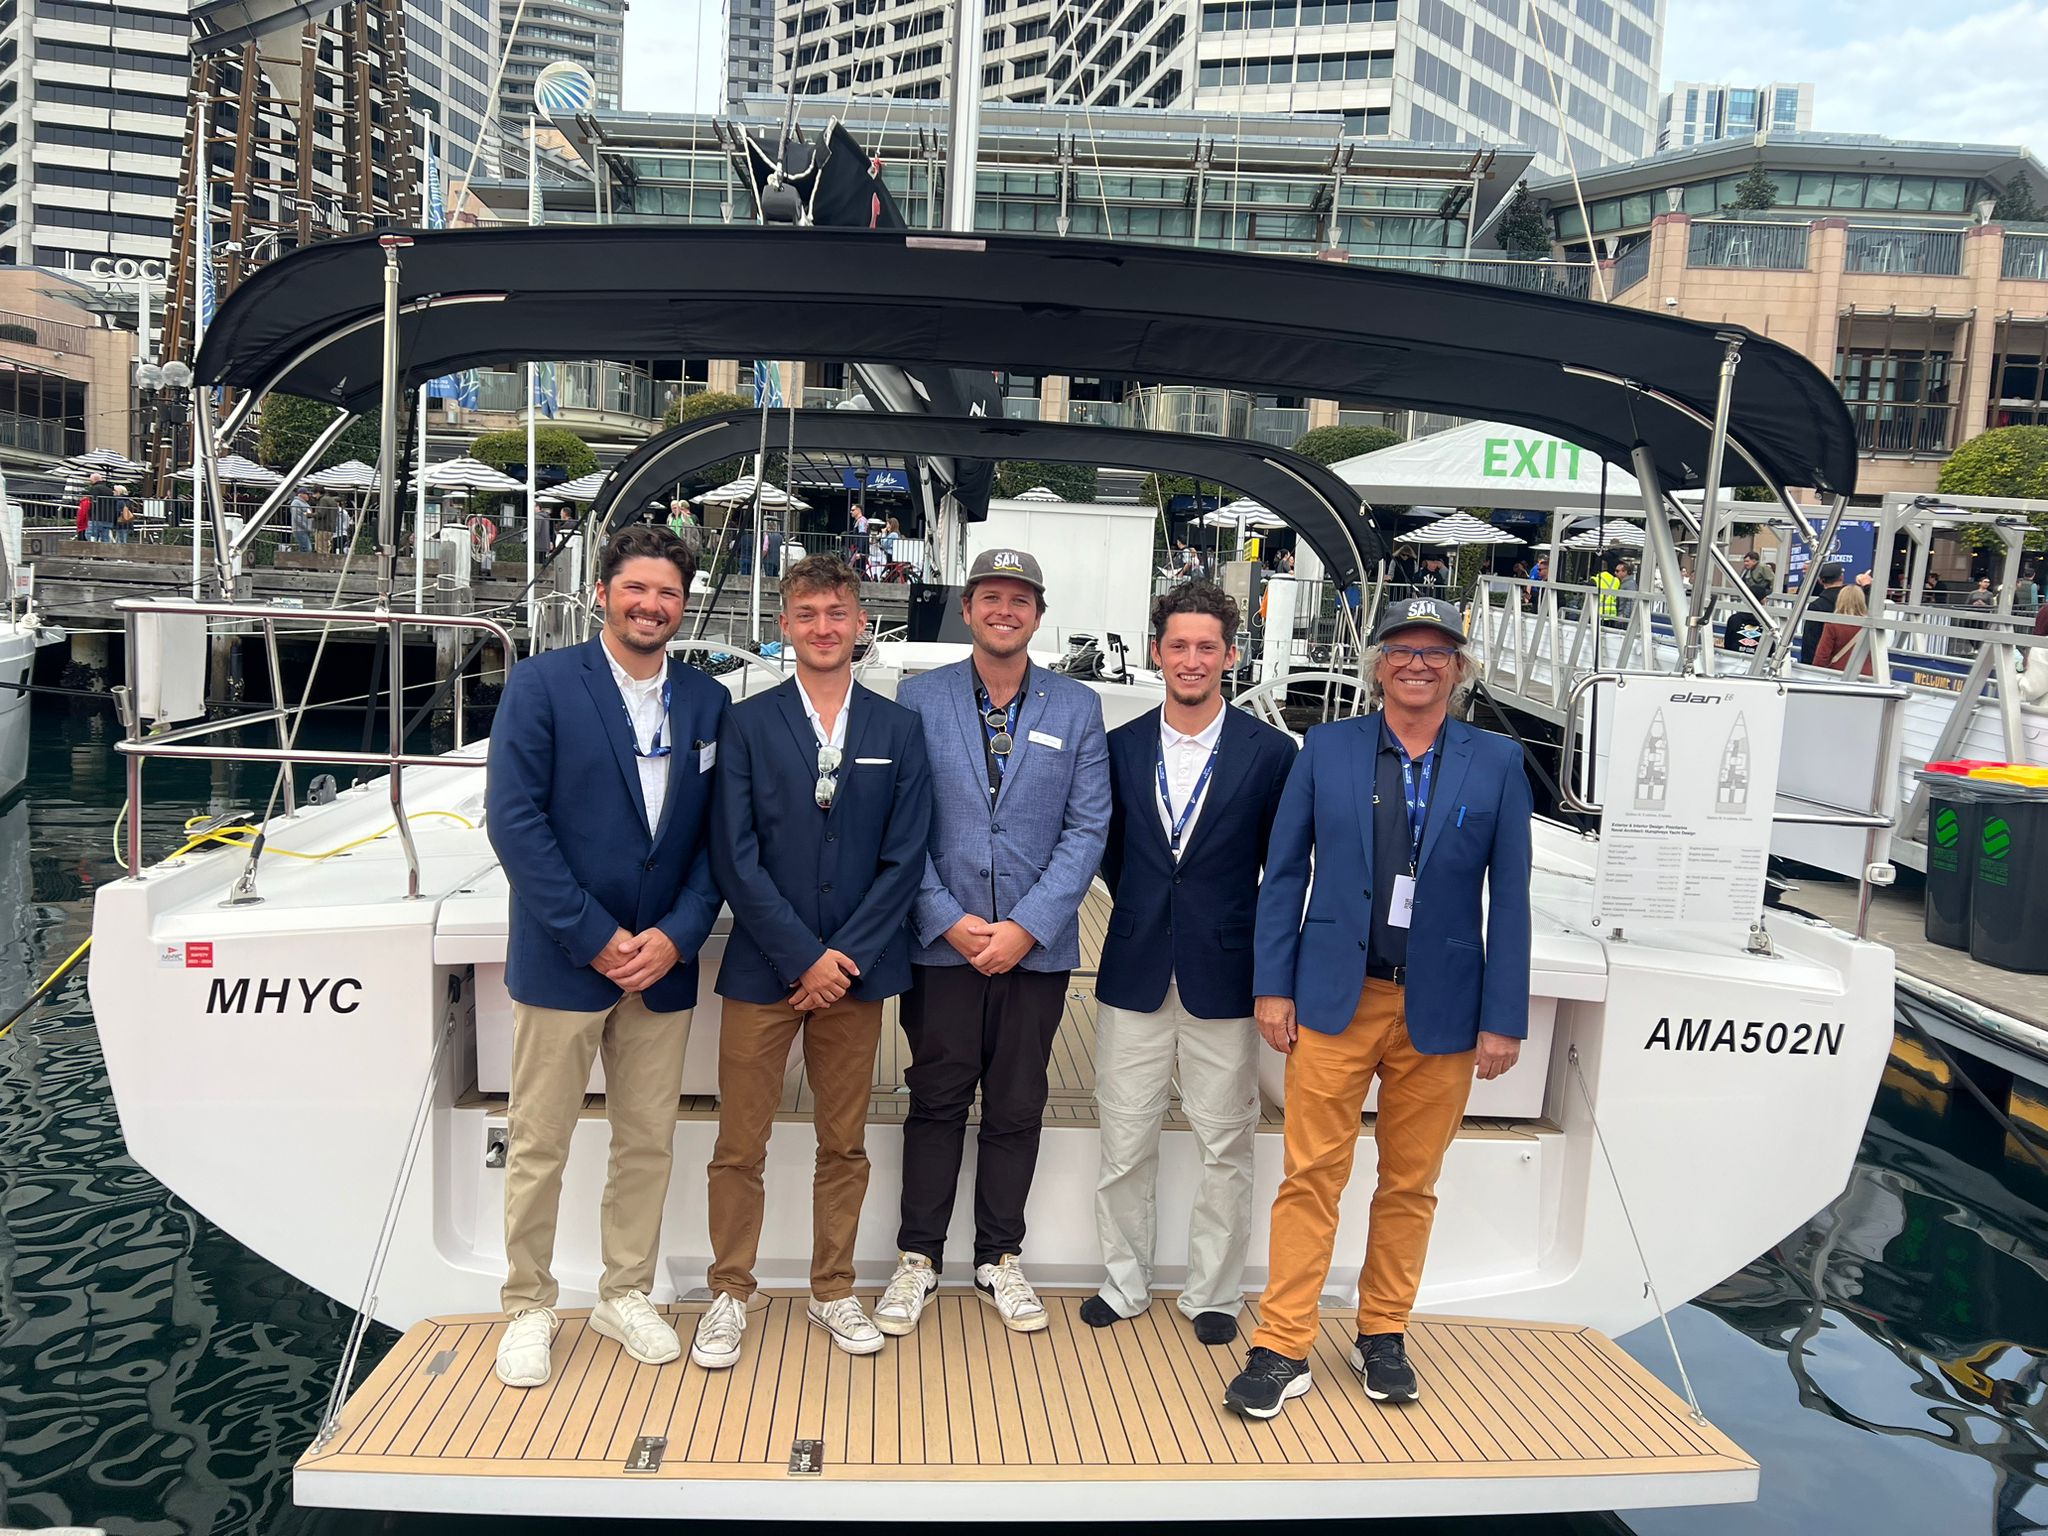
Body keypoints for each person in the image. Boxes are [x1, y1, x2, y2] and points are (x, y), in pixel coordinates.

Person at [1225, 594, 1532, 1420]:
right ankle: (1283, 1343)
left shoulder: (1498, 761)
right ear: (1378, 665)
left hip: (1444, 1006)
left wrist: (1503, 1017)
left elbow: (1512, 898)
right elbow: (1284, 874)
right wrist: (1273, 985)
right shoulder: (1326, 748)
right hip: (1336, 996)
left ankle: (1383, 1332)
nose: (1417, 665)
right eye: (1402, 650)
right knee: (1311, 1176)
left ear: (1458, 668)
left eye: (1435, 652)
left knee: (1411, 1182)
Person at [484, 524, 731, 1389]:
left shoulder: (707, 701)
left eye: (668, 593)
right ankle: (528, 1303)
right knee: (539, 1143)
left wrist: (677, 934)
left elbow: (717, 839)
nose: (651, 606)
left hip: (662, 964)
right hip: (565, 958)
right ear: (602, 594)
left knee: (647, 1142)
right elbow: (516, 823)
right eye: (636, 589)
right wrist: (594, 936)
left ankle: (624, 1291)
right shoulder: (542, 685)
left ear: (683, 605)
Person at [694, 556, 933, 1368]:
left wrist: (844, 958)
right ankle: (730, 1292)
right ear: (785, 626)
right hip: (765, 968)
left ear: (862, 622)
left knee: (844, 1142)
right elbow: (733, 854)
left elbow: (905, 857)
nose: (824, 628)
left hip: (854, 978)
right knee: (739, 1144)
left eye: (837, 613)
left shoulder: (897, 729)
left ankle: (832, 1289)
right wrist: (803, 956)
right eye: (808, 614)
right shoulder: (747, 724)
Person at [876, 548, 1111, 1337]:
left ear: (1037, 614)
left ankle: (998, 1256)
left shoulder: (1076, 707)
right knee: (935, 1100)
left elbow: (1087, 829)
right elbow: (900, 824)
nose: (1005, 611)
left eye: (1020, 600)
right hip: (942, 944)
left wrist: (1027, 926)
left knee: (1017, 1103)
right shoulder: (918, 698)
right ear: (969, 608)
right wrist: (944, 916)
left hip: (1034, 951)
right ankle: (918, 1257)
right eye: (991, 598)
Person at [1082, 583, 1295, 1346]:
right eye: (1179, 645)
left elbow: (1282, 872)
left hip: (1226, 976)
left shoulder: (1271, 755)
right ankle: (1124, 1281)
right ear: (1157, 652)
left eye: (1208, 646)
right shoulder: (1119, 747)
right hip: (1135, 966)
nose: (1193, 659)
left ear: (1231, 655)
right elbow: (1110, 855)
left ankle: (1214, 1293)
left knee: (1225, 1145)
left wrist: (1275, 978)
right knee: (1123, 1139)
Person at [1814, 583, 1875, 675]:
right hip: (1866, 674)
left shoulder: (1833, 625)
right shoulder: (1871, 624)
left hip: (1839, 674)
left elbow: (1821, 657)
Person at [1797, 562, 1846, 664]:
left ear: (1820, 580)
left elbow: (1810, 641)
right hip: (1851, 662)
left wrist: (1808, 666)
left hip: (1824, 661)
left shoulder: (1817, 605)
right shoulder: (1854, 602)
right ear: (1841, 577)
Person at [79, 472, 106, 542]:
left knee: (90, 535)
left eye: (91, 480)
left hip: (95, 518)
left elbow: (83, 513)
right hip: (107, 518)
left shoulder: (94, 489)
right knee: (105, 538)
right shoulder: (108, 490)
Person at [313, 492, 342, 556]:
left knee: (320, 548)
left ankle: (322, 560)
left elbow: (321, 514)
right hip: (330, 528)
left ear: (318, 493)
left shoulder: (323, 500)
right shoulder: (332, 501)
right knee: (326, 547)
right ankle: (326, 559)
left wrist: (310, 515)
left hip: (322, 528)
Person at [289, 485, 314, 554]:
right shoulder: (296, 502)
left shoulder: (305, 503)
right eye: (307, 494)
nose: (308, 496)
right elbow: (296, 517)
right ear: (301, 494)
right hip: (300, 529)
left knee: (304, 548)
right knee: (307, 548)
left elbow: (309, 515)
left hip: (306, 529)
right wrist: (305, 526)